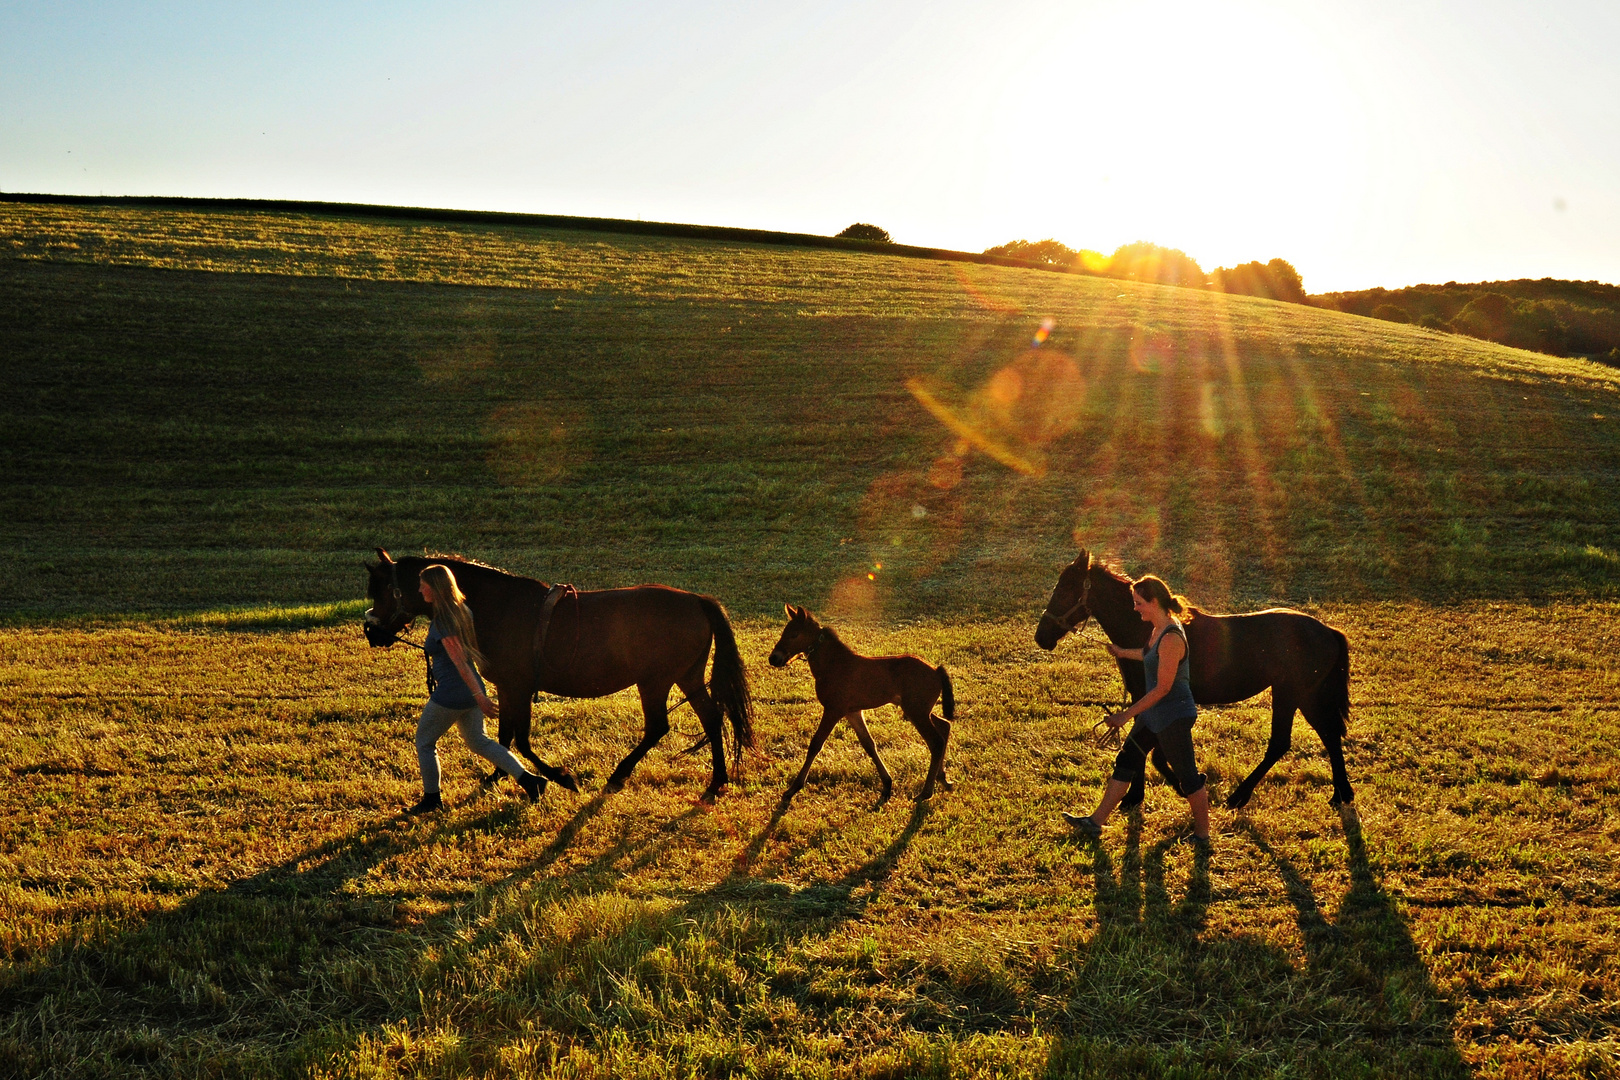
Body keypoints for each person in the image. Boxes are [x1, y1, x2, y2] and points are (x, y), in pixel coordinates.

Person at [1062, 574, 1210, 847]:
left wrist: (1124, 716)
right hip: (1155, 714)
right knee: (1127, 761)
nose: (1135, 608)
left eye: (1139, 603)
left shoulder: (1171, 638)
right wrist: (1122, 652)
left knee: (1188, 776)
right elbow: (1148, 654)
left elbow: (1163, 688)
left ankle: (1202, 835)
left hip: (1173, 716)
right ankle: (1095, 823)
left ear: (1154, 602)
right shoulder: (1159, 629)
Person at [406, 563, 542, 814]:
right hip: (469, 688)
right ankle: (530, 781)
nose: (419, 590)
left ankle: (432, 800)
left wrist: (479, 697)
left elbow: (460, 662)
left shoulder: (444, 619)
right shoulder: (462, 610)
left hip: (453, 692)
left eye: (423, 585)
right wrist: (477, 693)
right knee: (479, 741)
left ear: (435, 588)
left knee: (424, 742)